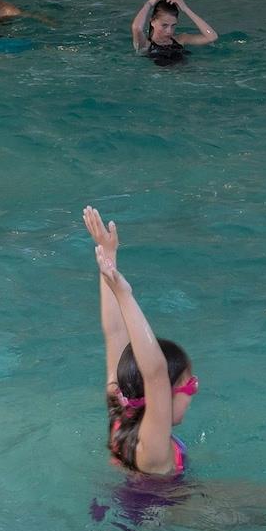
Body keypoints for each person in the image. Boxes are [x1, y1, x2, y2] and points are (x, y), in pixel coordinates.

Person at [85, 205, 192, 478]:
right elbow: (155, 372)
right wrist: (124, 296)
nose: (195, 390)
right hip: (170, 503)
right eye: (189, 386)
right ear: (162, 395)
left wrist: (108, 258)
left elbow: (115, 334)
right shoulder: (153, 448)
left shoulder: (120, 415)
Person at [131, 0, 217, 65]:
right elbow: (137, 28)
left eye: (173, 25)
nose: (169, 31)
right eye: (164, 25)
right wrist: (149, 4)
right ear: (152, 21)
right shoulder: (145, 45)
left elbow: (212, 37)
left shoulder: (181, 39)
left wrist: (185, 9)